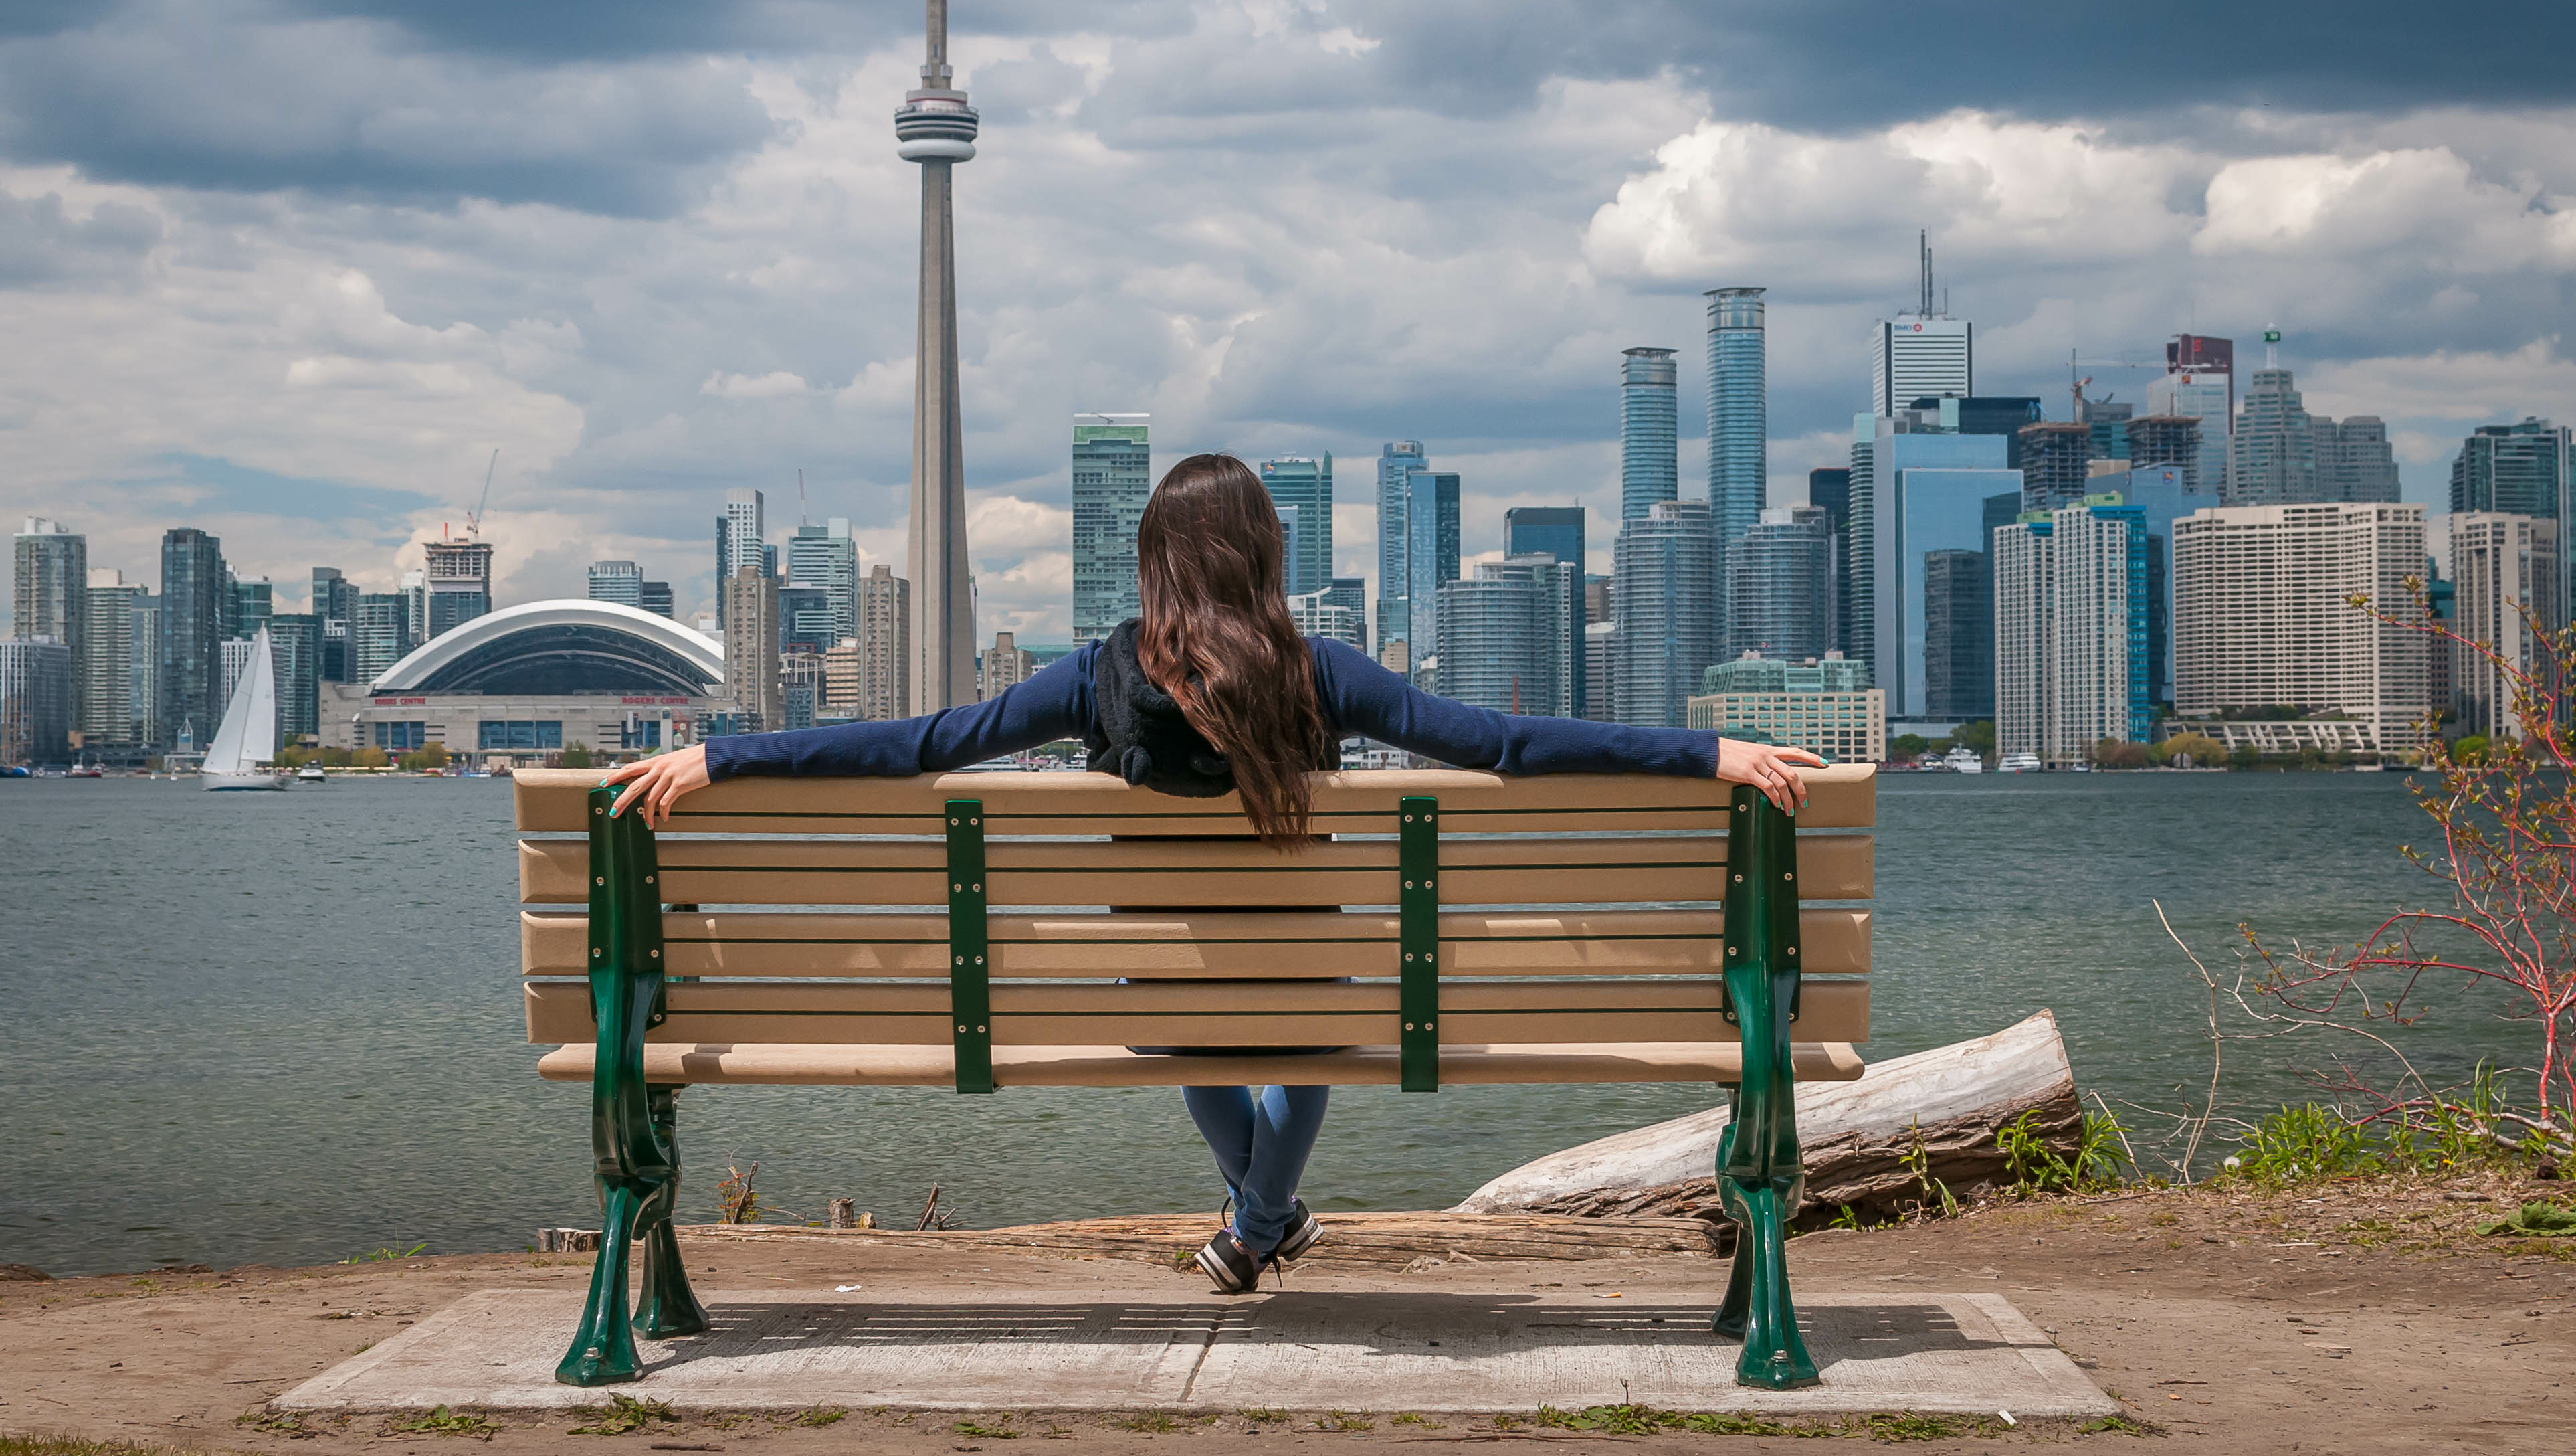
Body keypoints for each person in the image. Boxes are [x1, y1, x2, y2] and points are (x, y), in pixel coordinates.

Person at [604, 454, 1822, 1293]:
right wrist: (1711, 749)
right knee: (1309, 1023)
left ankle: (1257, 1221)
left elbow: (920, 745)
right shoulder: (1324, 669)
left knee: (1191, 1016)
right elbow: (1504, 744)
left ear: (1157, 560)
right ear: (1262, 554)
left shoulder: (1095, 674)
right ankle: (1261, 1224)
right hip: (1318, 990)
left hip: (1161, 1003)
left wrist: (729, 754)